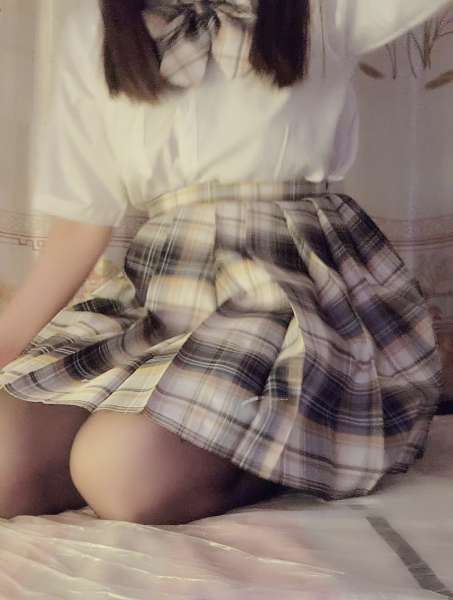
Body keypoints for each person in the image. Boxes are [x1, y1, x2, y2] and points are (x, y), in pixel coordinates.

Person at [0, 0, 449, 525]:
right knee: (6, 465)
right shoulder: (96, 26)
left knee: (120, 472)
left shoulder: (321, 8)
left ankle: (292, 450)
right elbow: (81, 221)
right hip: (161, 290)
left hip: (286, 289)